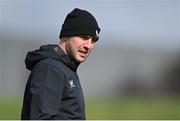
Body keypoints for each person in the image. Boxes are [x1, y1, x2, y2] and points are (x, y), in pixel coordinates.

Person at [21, 8, 100, 120]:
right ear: (67, 35)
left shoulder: (66, 68)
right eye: (84, 38)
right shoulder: (50, 69)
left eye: (93, 40)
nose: (89, 45)